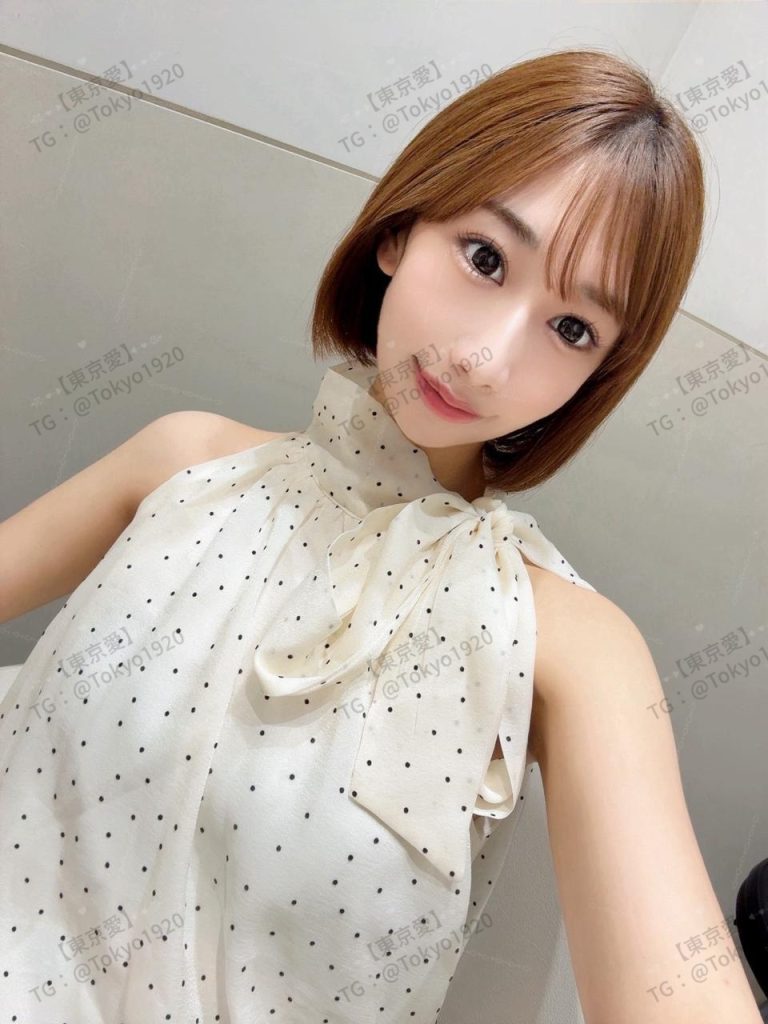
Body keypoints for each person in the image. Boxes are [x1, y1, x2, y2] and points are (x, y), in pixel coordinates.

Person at [0, 46, 761, 1024]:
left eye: (571, 329)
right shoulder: (183, 464)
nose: (485, 358)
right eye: (485, 258)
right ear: (401, 229)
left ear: (594, 378)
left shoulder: (570, 646)